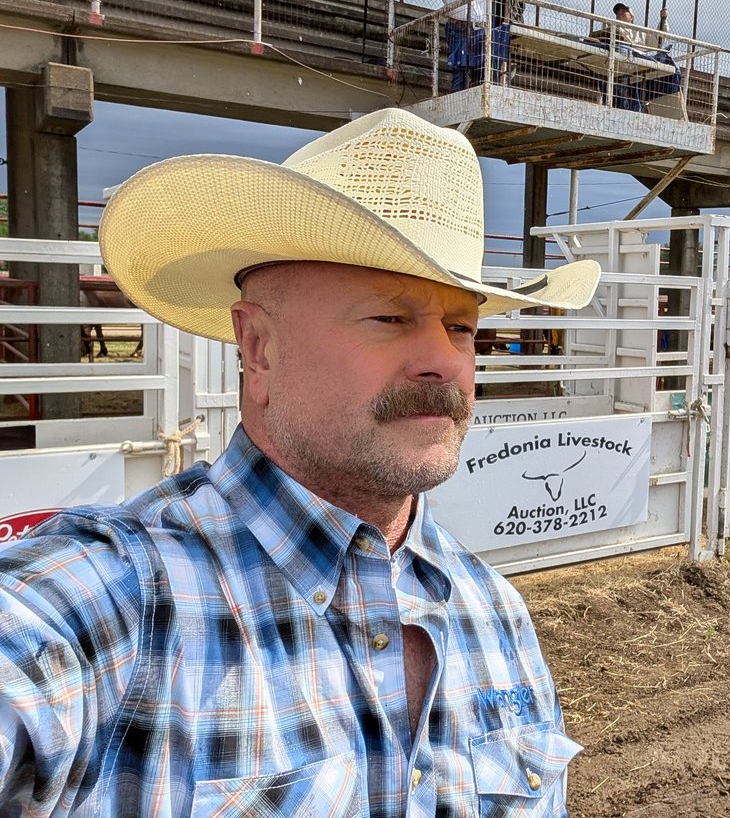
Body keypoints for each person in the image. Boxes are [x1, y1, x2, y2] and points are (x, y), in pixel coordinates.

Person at [0, 108, 601, 814]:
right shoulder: (119, 599)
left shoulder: (495, 613)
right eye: (390, 317)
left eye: (462, 327)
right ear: (258, 348)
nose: (446, 360)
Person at [609, 3, 681, 112]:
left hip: (636, 70)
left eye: (624, 12)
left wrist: (663, 20)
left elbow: (658, 40)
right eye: (618, 13)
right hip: (619, 68)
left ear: (631, 16)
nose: (620, 14)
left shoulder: (639, 32)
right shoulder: (612, 28)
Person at [487, 0, 534, 83]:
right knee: (498, 64)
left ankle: (502, 83)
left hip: (509, 33)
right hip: (499, 32)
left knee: (507, 64)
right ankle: (497, 84)